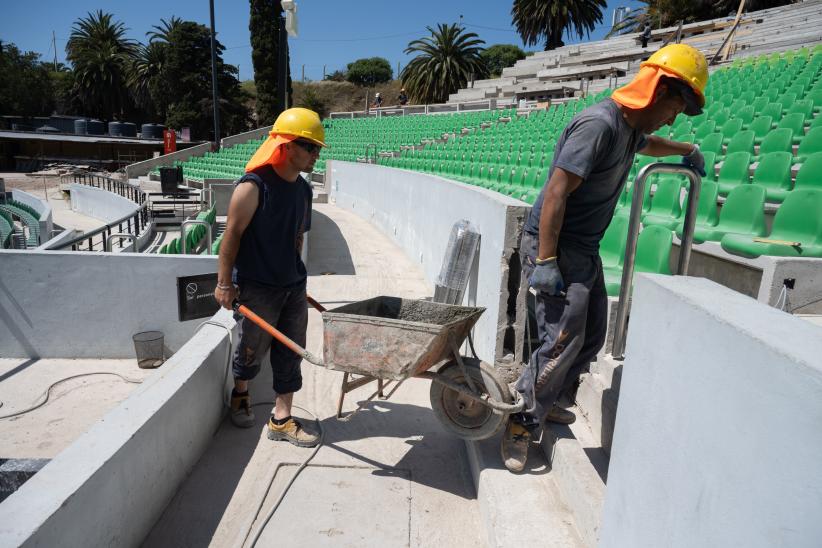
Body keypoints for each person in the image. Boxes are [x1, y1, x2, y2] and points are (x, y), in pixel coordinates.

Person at [501, 44, 709, 473]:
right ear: (657, 91)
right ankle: (520, 423)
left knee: (593, 333)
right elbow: (557, 191)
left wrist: (685, 148)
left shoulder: (631, 129)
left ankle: (552, 398)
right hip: (556, 244)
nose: (673, 117)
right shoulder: (599, 125)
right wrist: (546, 260)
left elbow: (650, 143)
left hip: (583, 248)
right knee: (560, 341)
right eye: (675, 107)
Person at [214, 107, 325, 447]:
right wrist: (224, 284)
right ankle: (241, 395)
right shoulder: (253, 187)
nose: (315, 155)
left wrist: (294, 273)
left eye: (318, 149)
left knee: (291, 352)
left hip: (292, 286)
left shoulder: (303, 191)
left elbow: (298, 236)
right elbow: (230, 237)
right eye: (309, 147)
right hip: (256, 285)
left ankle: (281, 419)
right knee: (251, 349)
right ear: (286, 145)